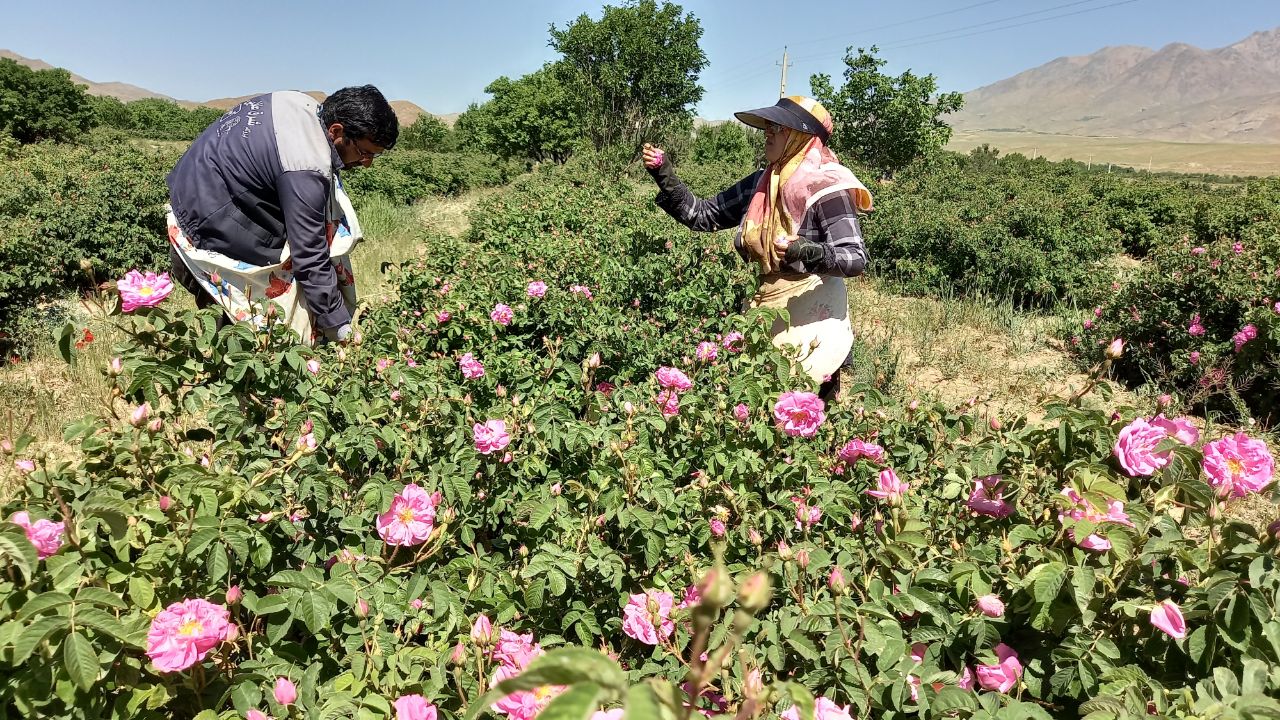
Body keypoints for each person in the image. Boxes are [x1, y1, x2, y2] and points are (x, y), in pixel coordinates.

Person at [643, 96, 872, 402]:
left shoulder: (828, 187)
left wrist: (808, 252)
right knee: (759, 403)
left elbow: (855, 258)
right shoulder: (761, 183)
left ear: (800, 137)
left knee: (808, 411)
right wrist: (666, 177)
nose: (767, 133)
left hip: (814, 313)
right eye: (768, 126)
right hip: (766, 308)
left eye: (776, 128)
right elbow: (703, 216)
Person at [165, 85, 399, 344]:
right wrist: (340, 328)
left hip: (194, 195)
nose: (368, 163)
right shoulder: (305, 168)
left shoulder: (302, 105)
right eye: (365, 153)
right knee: (241, 341)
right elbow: (309, 258)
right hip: (204, 232)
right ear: (336, 132)